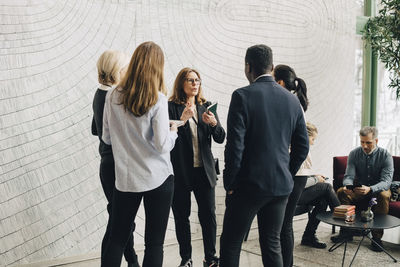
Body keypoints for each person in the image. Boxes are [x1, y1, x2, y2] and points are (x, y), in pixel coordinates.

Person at [219, 44, 309, 267]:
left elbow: (235, 146)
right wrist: (286, 172)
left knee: (231, 244)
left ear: (248, 66)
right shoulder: (292, 100)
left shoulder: (242, 96)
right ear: (271, 66)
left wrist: (230, 181)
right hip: (280, 187)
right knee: (271, 244)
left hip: (248, 186)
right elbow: (302, 146)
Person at [101, 41, 178, 267]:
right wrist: (173, 131)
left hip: (126, 179)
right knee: (155, 244)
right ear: (158, 67)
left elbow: (106, 137)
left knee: (117, 238)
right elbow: (163, 145)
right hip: (158, 178)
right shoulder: (158, 98)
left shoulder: (113, 96)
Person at [169, 67, 226, 267]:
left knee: (208, 216)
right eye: (190, 80)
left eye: (197, 80)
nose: (195, 84)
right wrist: (183, 120)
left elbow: (220, 137)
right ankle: (186, 259)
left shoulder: (206, 106)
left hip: (204, 170)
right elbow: (165, 134)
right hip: (181, 171)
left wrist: (213, 124)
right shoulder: (171, 107)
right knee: (181, 216)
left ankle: (210, 258)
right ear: (181, 83)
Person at [91, 50, 140, 267]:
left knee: (120, 221)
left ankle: (132, 261)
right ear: (116, 70)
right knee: (118, 225)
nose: (128, 72)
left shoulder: (100, 94)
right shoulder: (113, 96)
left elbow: (96, 129)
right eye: (125, 67)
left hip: (108, 164)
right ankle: (132, 261)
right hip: (116, 165)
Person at [331, 126, 393, 252]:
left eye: (368, 142)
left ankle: (376, 238)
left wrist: (370, 189)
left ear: (376, 141)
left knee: (384, 195)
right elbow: (348, 176)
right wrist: (348, 186)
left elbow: (386, 182)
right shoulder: (354, 153)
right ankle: (346, 232)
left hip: (378, 190)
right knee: (341, 192)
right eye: (362, 142)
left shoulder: (385, 155)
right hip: (360, 190)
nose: (364, 146)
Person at [273, 64, 310, 267]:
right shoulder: (291, 102)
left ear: (279, 83)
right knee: (281, 225)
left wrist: (287, 173)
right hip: (292, 171)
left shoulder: (290, 104)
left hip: (295, 172)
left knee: (284, 224)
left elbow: (299, 147)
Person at [297, 122, 340, 249]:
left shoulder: (298, 149)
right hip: (290, 195)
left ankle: (308, 236)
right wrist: (316, 179)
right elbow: (299, 183)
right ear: (305, 136)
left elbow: (299, 177)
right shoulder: (298, 151)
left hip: (295, 192)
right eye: (313, 139)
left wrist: (313, 177)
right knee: (326, 187)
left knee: (322, 200)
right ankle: (345, 223)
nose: (313, 142)